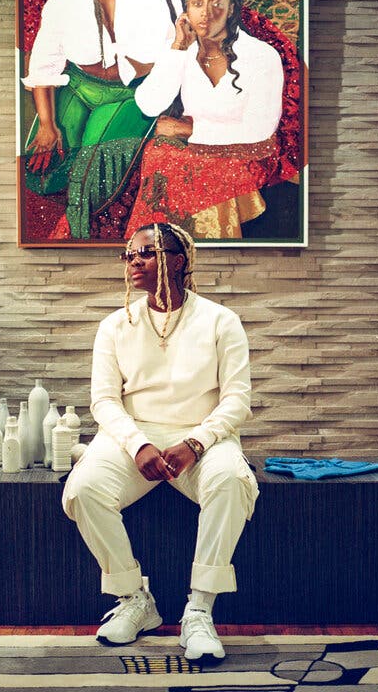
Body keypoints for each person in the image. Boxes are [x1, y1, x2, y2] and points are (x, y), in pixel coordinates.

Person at [62, 221, 258, 661]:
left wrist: (196, 443)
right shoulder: (115, 326)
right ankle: (135, 600)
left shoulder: (220, 321)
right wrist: (137, 445)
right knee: (84, 488)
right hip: (134, 438)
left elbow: (238, 400)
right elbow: (104, 401)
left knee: (230, 482)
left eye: (146, 252)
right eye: (129, 254)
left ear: (178, 260)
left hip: (201, 439)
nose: (134, 261)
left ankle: (199, 611)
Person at [21, 0, 182, 239]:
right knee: (42, 175)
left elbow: (176, 57)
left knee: (89, 179)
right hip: (80, 85)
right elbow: (44, 62)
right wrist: (48, 126)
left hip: (132, 93)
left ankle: (76, 240)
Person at [125, 0, 285, 240]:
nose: (206, 12)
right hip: (192, 155)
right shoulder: (182, 50)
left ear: (231, 8)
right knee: (161, 152)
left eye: (216, 3)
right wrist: (176, 49)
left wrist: (189, 130)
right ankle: (163, 249)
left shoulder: (261, 56)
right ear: (187, 9)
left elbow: (259, 130)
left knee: (193, 162)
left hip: (245, 152)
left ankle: (210, 249)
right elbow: (149, 105)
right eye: (197, 3)